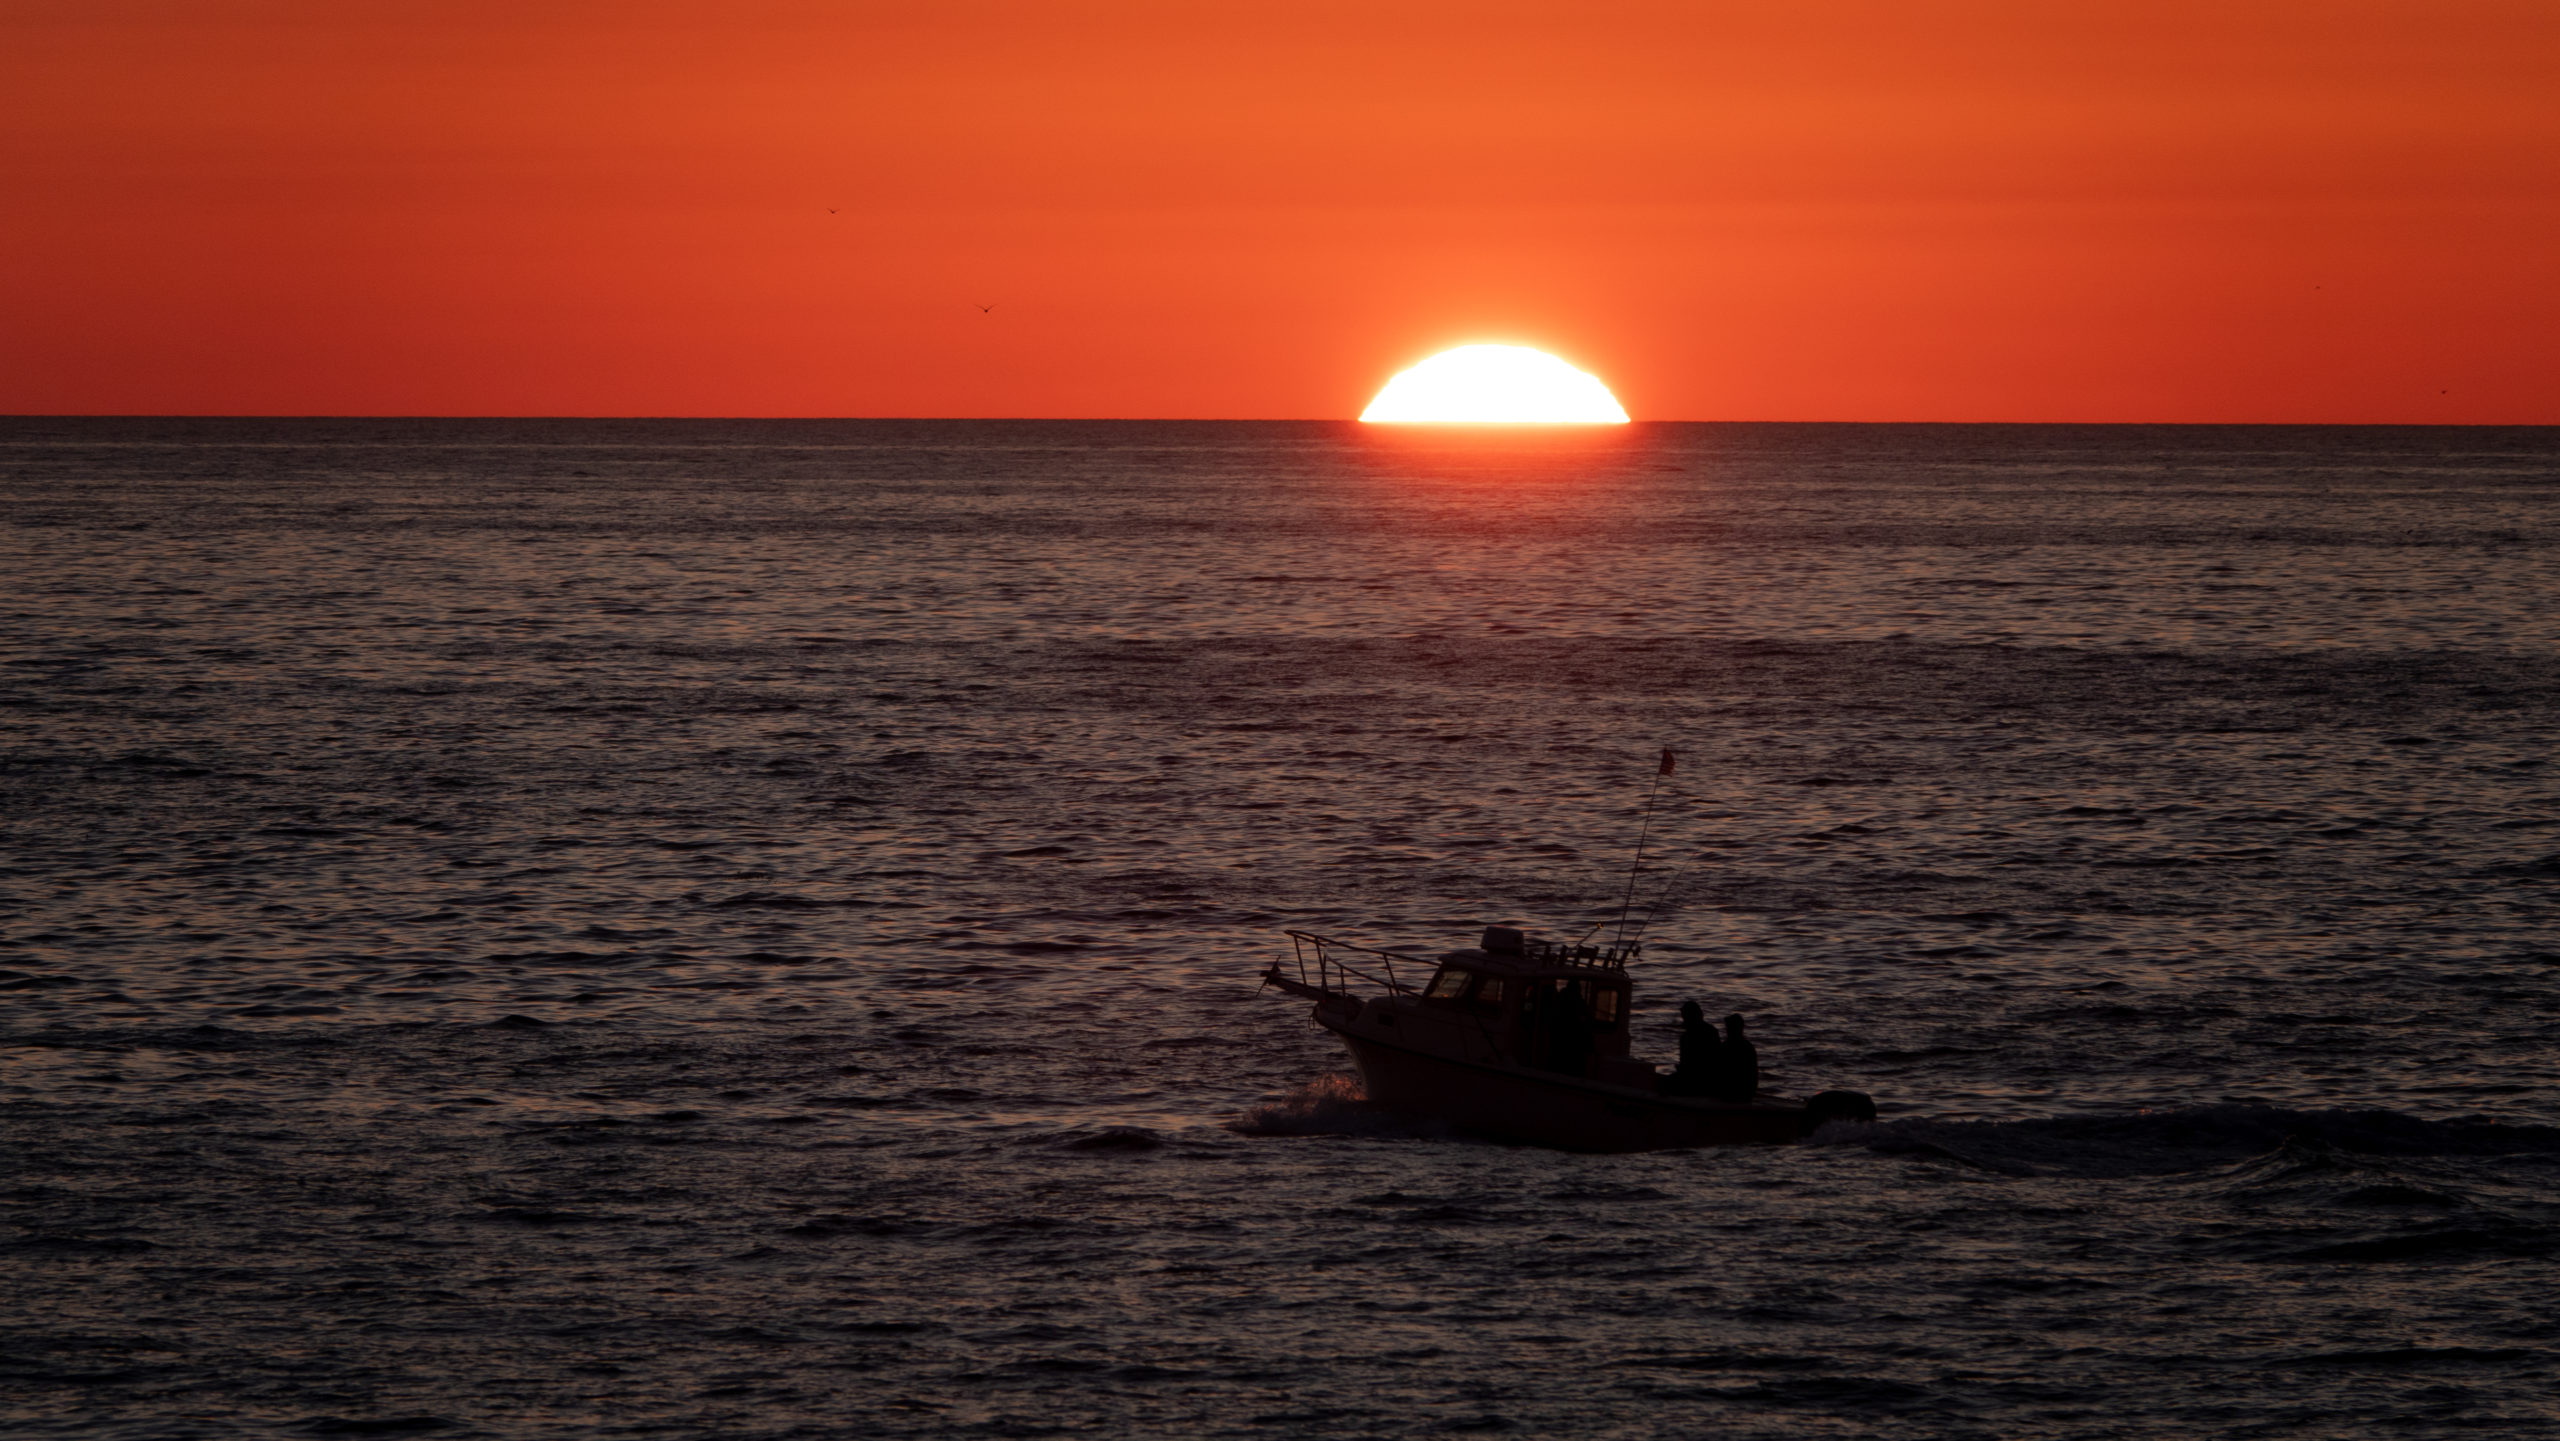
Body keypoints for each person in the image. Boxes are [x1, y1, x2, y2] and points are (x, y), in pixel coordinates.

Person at [1663, 1000, 1720, 1096]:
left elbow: (1688, 1065)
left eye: (1685, 1016)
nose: (1683, 1019)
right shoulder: (1712, 1031)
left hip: (1697, 1079)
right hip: (1711, 1078)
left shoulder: (1687, 1037)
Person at [1546, 981, 1592, 1078]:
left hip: (1559, 1037)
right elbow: (1585, 1021)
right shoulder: (1578, 1002)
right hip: (1572, 1039)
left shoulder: (1559, 999)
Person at [1713, 1013, 1759, 1102]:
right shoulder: (1748, 1047)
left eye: (1728, 1028)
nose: (1727, 1031)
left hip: (1730, 1093)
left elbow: (1718, 1072)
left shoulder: (1725, 1047)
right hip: (1745, 1093)